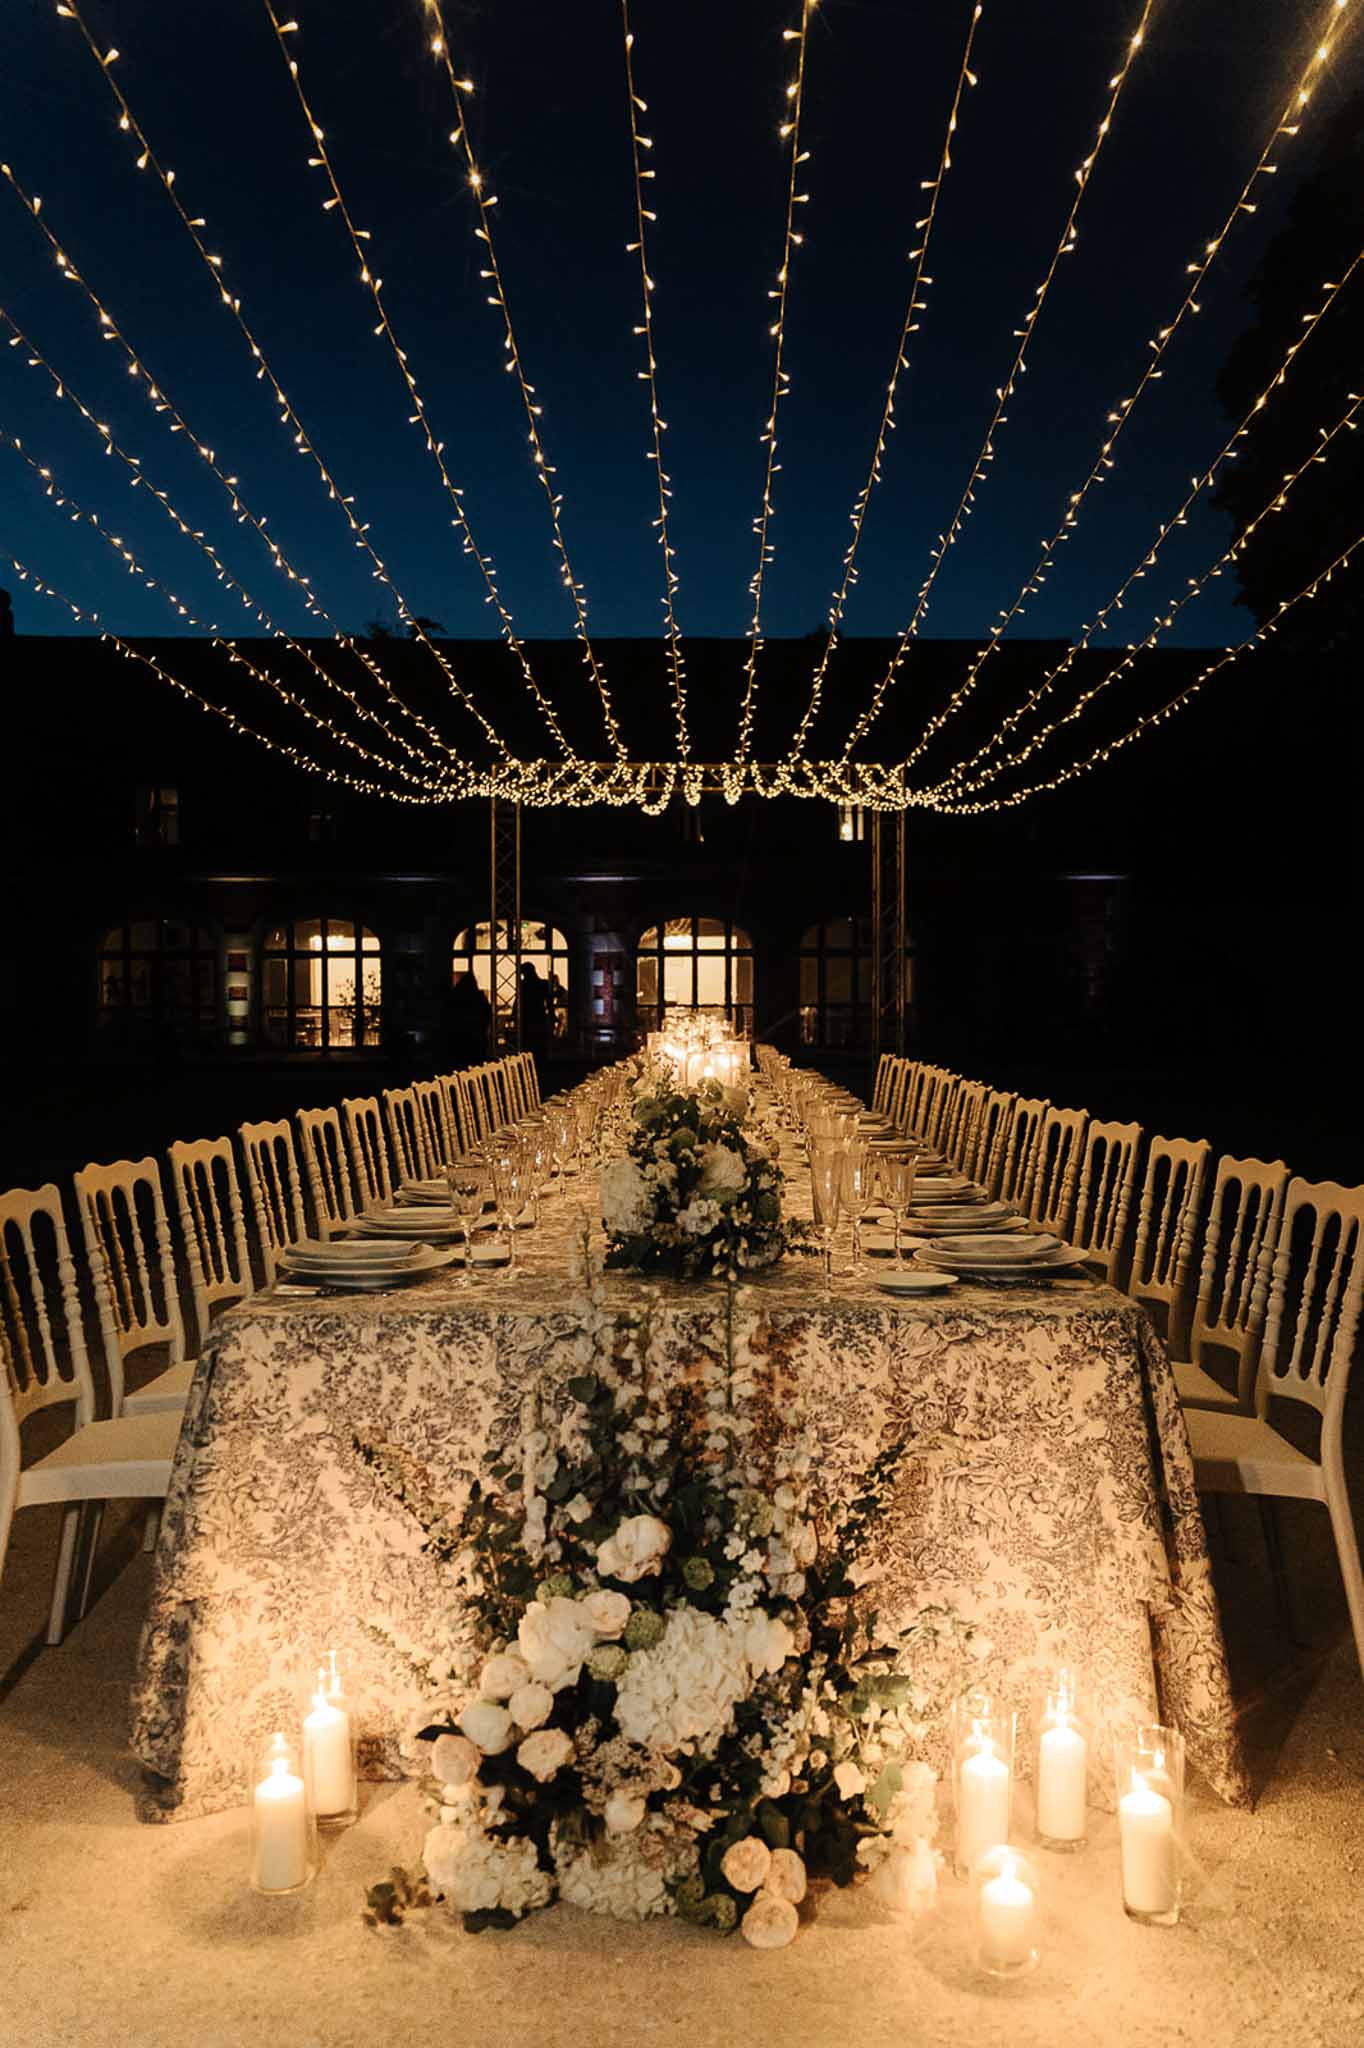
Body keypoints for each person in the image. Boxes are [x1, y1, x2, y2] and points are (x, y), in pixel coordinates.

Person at [440, 970, 492, 1068]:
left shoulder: (454, 997)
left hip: (458, 1041)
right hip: (477, 1040)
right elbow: (486, 1014)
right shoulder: (479, 998)